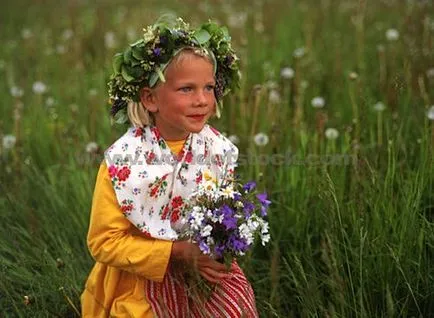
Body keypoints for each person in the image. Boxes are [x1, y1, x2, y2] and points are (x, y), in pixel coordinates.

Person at [80, 16, 258, 317]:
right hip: (142, 276)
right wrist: (176, 253)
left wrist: (220, 246)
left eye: (209, 87)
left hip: (201, 269)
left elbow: (221, 214)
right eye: (186, 89)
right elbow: (104, 242)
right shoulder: (123, 161)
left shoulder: (216, 149)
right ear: (150, 98)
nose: (202, 100)